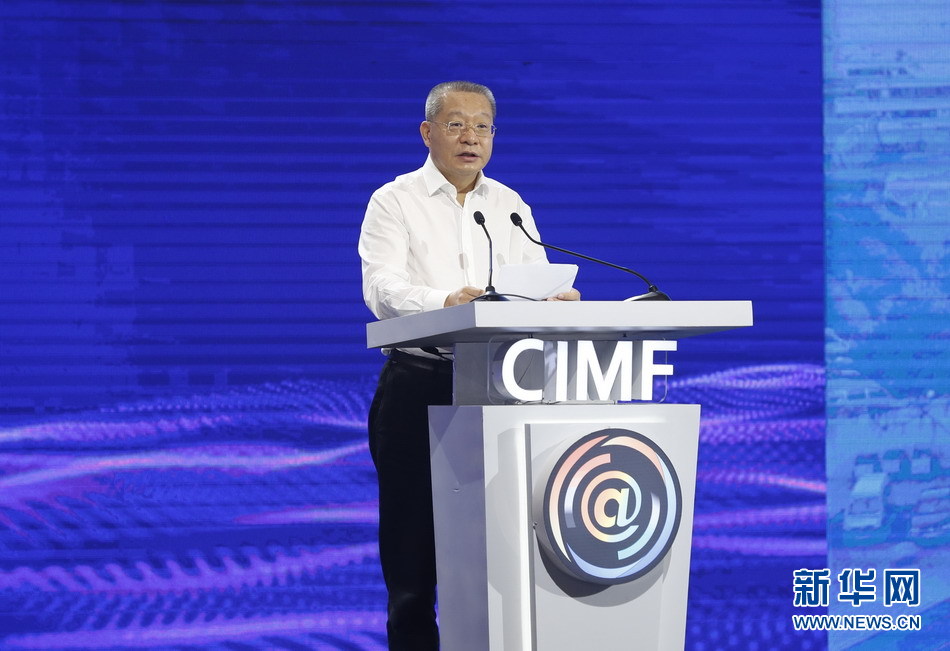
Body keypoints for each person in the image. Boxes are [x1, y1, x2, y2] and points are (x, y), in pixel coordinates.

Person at [358, 80, 579, 650]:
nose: (470, 138)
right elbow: (381, 288)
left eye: (482, 126)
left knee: (499, 542)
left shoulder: (509, 205)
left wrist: (554, 299)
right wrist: (445, 302)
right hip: (419, 381)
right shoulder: (394, 200)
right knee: (412, 549)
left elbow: (533, 278)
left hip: (501, 385)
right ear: (427, 132)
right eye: (456, 124)